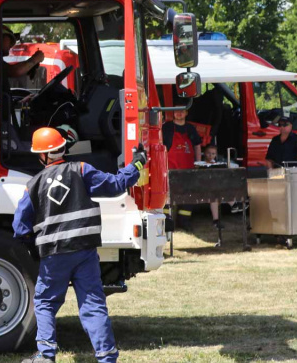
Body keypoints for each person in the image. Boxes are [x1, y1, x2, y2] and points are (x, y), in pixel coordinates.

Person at [13, 127, 146, 363]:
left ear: (42, 155)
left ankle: (45, 355)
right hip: (85, 251)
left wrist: (32, 247)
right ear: (63, 148)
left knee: (45, 302)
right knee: (93, 304)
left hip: (54, 256)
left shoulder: (32, 185)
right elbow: (115, 185)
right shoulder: (82, 170)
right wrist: (136, 165)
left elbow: (20, 226)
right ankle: (106, 357)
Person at [162, 107, 201, 229]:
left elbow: (197, 145)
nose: (179, 113)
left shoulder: (190, 128)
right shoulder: (166, 127)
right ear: (172, 112)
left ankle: (184, 222)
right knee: (167, 196)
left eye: (182, 111)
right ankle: (167, 223)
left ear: (186, 113)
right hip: (170, 168)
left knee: (188, 195)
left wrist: (198, 163)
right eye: (176, 110)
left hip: (187, 169)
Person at [202, 144, 225, 229]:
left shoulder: (218, 165)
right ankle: (234, 204)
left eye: (213, 154)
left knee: (215, 196)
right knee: (214, 196)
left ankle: (216, 220)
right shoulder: (201, 164)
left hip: (215, 188)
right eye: (209, 153)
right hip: (203, 188)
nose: (211, 156)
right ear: (205, 153)